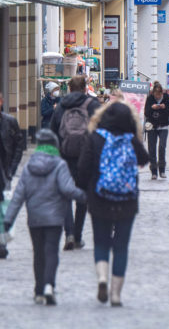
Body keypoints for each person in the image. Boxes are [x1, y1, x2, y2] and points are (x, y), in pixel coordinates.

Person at [77, 101, 149, 307]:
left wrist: (86, 188)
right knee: (121, 246)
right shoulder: (130, 140)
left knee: (101, 242)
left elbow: (83, 169)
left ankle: (102, 279)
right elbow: (145, 158)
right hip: (127, 200)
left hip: (100, 197)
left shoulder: (96, 138)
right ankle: (116, 294)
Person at [3, 129, 86, 305]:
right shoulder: (59, 165)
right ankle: (49, 285)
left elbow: (19, 195)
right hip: (55, 218)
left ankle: (38, 290)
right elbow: (68, 189)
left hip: (35, 218)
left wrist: (8, 219)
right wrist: (86, 197)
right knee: (51, 252)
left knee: (38, 254)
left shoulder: (29, 167)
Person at [50, 75, 101, 251]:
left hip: (64, 155)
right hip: (86, 156)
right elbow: (101, 130)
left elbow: (53, 130)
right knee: (82, 195)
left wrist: (57, 153)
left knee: (64, 194)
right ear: (85, 88)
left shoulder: (62, 105)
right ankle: (78, 236)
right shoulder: (93, 105)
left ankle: (69, 233)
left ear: (70, 89)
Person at [0, 92, 26, 259]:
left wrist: (12, 168)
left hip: (3, 172)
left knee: (3, 208)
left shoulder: (9, 122)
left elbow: (19, 144)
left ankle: (1, 243)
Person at [144, 81, 169, 180]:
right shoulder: (150, 98)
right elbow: (146, 113)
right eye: (156, 95)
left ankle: (162, 169)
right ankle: (153, 171)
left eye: (159, 94)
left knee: (162, 147)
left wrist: (163, 108)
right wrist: (152, 108)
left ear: (162, 93)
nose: (157, 97)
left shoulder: (166, 98)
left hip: (163, 126)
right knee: (152, 148)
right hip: (152, 126)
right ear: (153, 93)